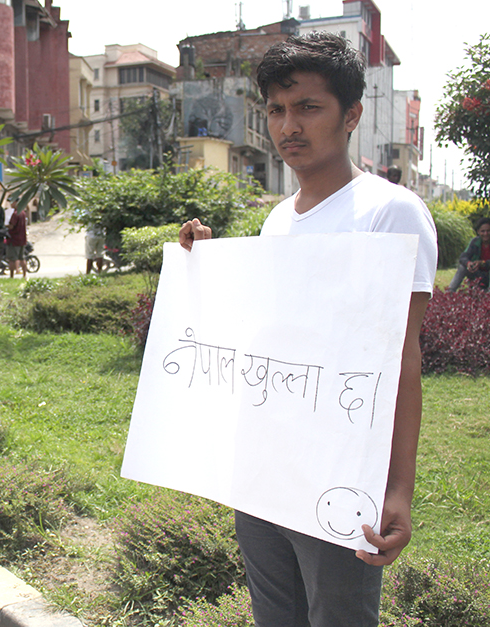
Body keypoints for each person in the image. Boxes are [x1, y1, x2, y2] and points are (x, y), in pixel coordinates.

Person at [178, 32, 437, 626]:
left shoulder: (389, 212)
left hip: (338, 479)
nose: (288, 125)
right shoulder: (277, 219)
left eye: (307, 107)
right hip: (266, 475)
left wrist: (398, 489)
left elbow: (403, 359)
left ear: (352, 114)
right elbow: (270, 337)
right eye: (276, 109)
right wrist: (211, 268)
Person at [447, 218, 490, 291]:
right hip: (478, 274)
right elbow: (463, 257)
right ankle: (449, 292)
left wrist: (482, 263)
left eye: (488, 231)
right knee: (462, 267)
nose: (485, 234)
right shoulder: (475, 242)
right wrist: (468, 263)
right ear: (478, 232)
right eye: (483, 231)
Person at [5, 201, 28, 279]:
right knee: (22, 258)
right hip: (22, 239)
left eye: (12, 202)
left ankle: (11, 276)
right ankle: (24, 275)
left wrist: (6, 225)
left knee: (12, 259)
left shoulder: (15, 214)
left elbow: (12, 226)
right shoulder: (23, 213)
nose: (11, 204)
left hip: (14, 239)